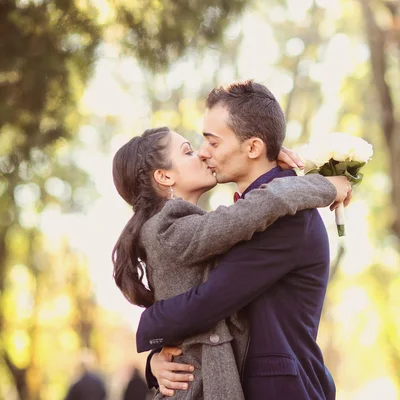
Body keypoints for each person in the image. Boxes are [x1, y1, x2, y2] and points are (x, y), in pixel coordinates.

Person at [137, 80, 350, 399]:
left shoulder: (286, 218)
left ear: (252, 148)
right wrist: (156, 361)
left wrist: (147, 327)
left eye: (213, 142)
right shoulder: (244, 214)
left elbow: (209, 302)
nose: (204, 153)